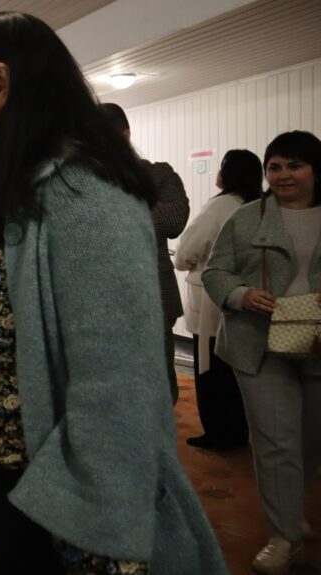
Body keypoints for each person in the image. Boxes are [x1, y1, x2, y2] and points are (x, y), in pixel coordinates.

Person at [0, 12, 227, 574]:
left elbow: (118, 389)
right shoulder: (40, 193)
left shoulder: (84, 197)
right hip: (25, 504)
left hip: (63, 520)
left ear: (0, 83)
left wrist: (91, 532)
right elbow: (16, 325)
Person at [203, 130, 321, 575]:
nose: (283, 175)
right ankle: (284, 536)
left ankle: (291, 508)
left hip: (317, 343)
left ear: (316, 170)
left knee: (310, 440)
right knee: (275, 441)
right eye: (275, 167)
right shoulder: (247, 218)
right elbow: (216, 271)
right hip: (258, 342)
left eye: (295, 165)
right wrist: (241, 294)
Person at [101, 102, 190, 404]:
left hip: (153, 296)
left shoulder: (158, 174)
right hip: (100, 299)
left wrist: (116, 206)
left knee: (159, 388)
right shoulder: (82, 182)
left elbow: (175, 219)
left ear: (125, 136)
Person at [175, 149, 259, 451]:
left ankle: (219, 433)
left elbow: (185, 252)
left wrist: (186, 262)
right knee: (234, 371)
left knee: (210, 369)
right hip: (242, 297)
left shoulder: (221, 205)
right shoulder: (256, 205)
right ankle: (237, 431)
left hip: (211, 299)